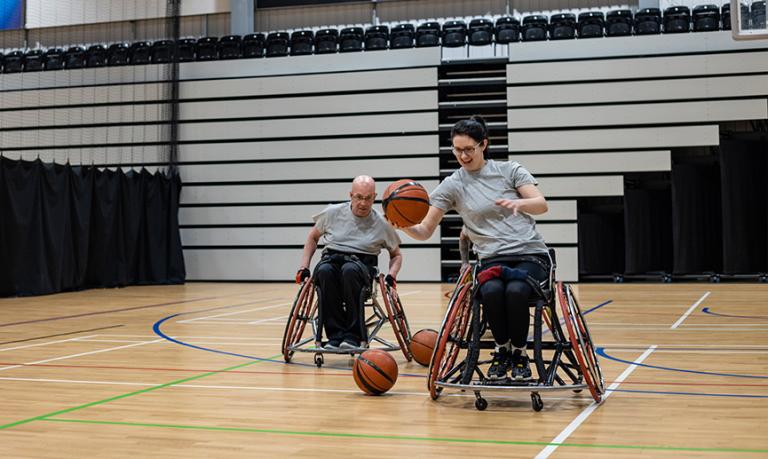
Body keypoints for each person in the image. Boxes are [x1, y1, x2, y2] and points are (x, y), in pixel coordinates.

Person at [397, 115, 550, 381]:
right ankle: (502, 352)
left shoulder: (510, 170)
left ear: (483, 145)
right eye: (457, 150)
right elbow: (424, 231)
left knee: (515, 291)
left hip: (529, 254)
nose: (463, 155)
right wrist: (403, 223)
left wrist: (520, 204)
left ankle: (520, 354)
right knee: (490, 290)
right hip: (491, 259)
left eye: (469, 149)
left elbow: (541, 204)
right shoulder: (453, 184)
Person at [296, 175, 402, 351]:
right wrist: (304, 266)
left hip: (361, 266)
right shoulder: (332, 212)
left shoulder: (382, 224)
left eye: (368, 198)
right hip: (332, 258)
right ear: (351, 195)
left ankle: (353, 336)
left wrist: (392, 275)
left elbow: (396, 255)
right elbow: (313, 237)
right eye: (358, 197)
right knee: (323, 271)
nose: (363, 203)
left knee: (349, 271)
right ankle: (335, 336)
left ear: (374, 197)